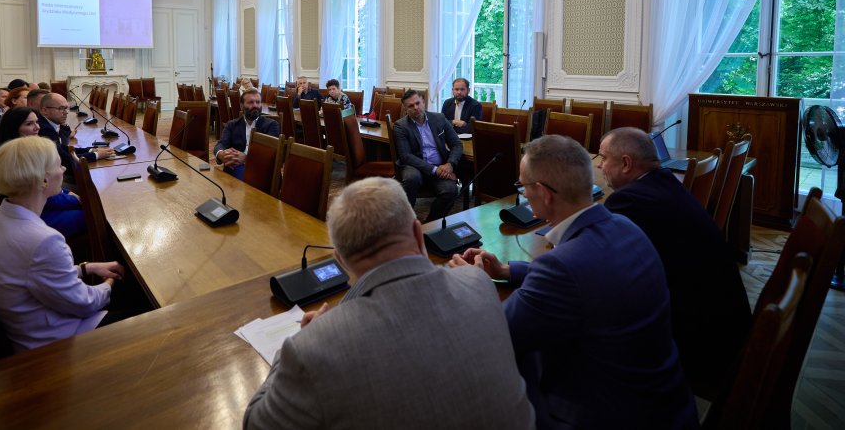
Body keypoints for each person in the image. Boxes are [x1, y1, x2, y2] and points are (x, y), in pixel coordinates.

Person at [243, 177, 535, 430]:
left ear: (340, 261)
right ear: (418, 232)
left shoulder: (313, 349)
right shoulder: (479, 284)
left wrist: (297, 344)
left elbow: (255, 423)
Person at [450, 135, 697, 429]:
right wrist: (507, 270)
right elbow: (589, 279)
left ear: (544, 193)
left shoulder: (560, 266)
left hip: (605, 415)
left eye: (523, 186)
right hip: (668, 404)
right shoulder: (627, 227)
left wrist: (473, 282)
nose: (523, 194)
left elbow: (496, 335)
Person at [599, 127, 751, 399]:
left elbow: (589, 259)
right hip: (728, 330)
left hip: (702, 346)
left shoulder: (630, 201)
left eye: (604, 158)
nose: (600, 165)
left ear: (626, 164)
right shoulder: (667, 183)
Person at [0, 137, 125, 351]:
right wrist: (109, 284)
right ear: (43, 180)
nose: (62, 168)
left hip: (22, 328)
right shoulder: (44, 240)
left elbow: (30, 273)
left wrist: (85, 268)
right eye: (57, 165)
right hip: (55, 344)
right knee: (143, 304)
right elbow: (84, 304)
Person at [0, 107, 87, 240]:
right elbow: (43, 197)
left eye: (37, 122)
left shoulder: (24, 148)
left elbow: (49, 186)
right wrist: (76, 199)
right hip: (36, 215)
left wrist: (68, 194)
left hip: (38, 208)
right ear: (14, 127)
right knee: (92, 215)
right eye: (29, 124)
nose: (37, 127)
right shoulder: (18, 156)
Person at [392, 89, 462, 221]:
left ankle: (430, 224)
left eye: (418, 103)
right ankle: (405, 221)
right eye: (411, 106)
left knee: (451, 190)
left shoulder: (439, 118)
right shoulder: (401, 126)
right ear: (405, 109)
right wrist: (436, 170)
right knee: (411, 178)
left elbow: (457, 144)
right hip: (415, 165)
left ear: (423, 102)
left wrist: (450, 164)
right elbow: (406, 156)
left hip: (441, 165)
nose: (416, 108)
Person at [38, 93, 113, 181]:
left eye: (66, 108)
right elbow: (66, 160)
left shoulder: (47, 124)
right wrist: (95, 155)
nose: (66, 112)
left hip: (53, 174)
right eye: (61, 108)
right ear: (44, 110)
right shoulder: (44, 129)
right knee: (94, 180)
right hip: (51, 180)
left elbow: (62, 148)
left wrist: (91, 150)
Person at [214, 88, 280, 179]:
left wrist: (246, 158)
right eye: (250, 102)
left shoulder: (271, 125)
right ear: (242, 106)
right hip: (235, 165)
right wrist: (221, 154)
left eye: (258, 102)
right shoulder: (232, 125)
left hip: (261, 168)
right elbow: (221, 144)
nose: (255, 105)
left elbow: (270, 154)